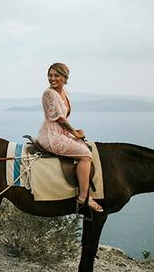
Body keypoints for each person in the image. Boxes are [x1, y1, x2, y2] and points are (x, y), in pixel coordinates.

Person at [37, 63, 103, 212]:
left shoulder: (63, 92)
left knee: (85, 146)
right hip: (51, 136)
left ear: (65, 78)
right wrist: (75, 133)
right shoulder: (49, 93)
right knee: (86, 155)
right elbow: (60, 119)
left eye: (56, 75)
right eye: (50, 75)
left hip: (60, 132)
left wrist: (74, 132)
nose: (52, 79)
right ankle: (84, 197)